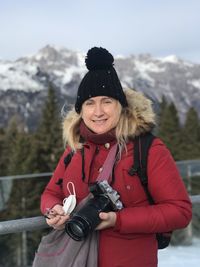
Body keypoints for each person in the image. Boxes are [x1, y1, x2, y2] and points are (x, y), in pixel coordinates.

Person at [40, 47, 192, 267]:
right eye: (90, 103)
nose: (98, 111)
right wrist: (53, 209)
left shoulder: (148, 149)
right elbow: (51, 192)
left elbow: (180, 211)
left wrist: (118, 220)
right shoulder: (75, 149)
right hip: (75, 259)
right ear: (80, 110)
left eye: (107, 101)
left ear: (121, 106)